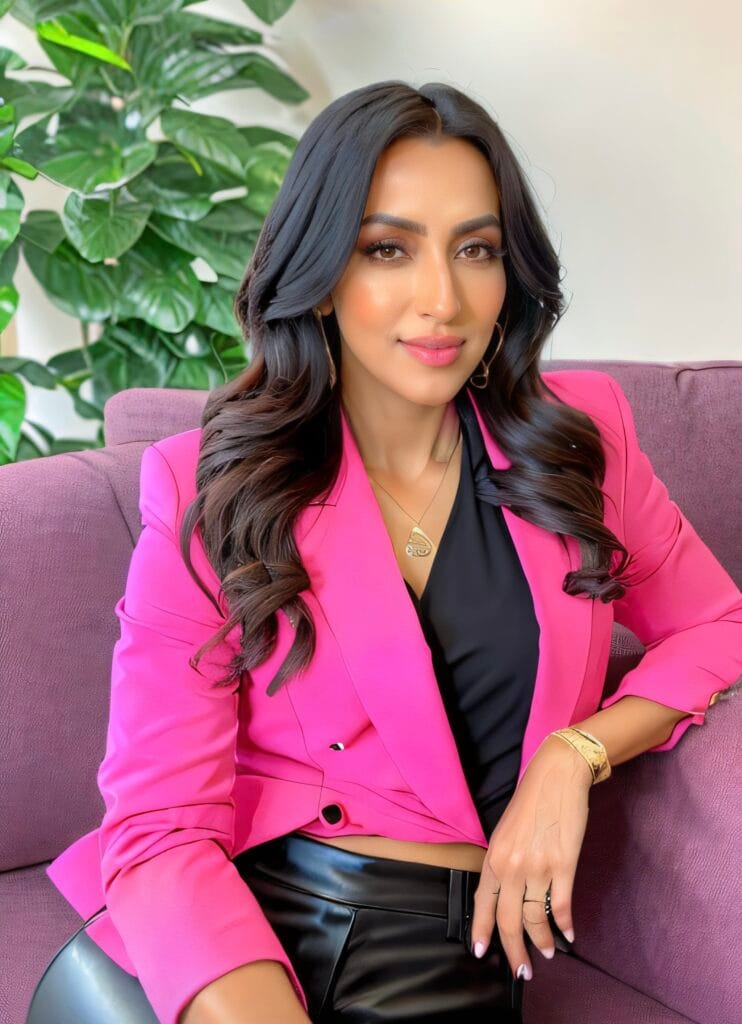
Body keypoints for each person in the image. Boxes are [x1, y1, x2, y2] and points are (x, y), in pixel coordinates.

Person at [30, 81, 741, 1024]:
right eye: (387, 249)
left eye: (476, 250)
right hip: (221, 934)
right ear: (322, 273)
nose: (441, 299)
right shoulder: (211, 484)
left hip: (438, 942)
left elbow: (714, 624)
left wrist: (575, 756)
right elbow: (161, 822)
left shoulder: (578, 442)